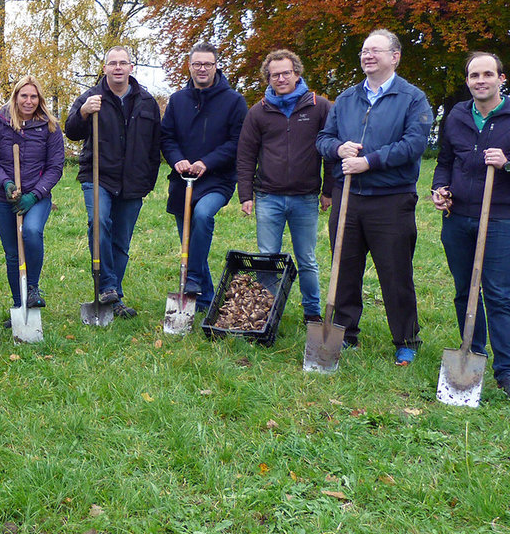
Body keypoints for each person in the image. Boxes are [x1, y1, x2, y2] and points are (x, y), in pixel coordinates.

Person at [432, 52, 510, 403]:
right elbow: (445, 161)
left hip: (498, 219)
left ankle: (508, 372)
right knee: (464, 291)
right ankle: (473, 354)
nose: (480, 80)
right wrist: (439, 190)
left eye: (488, 74)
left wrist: (509, 165)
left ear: (502, 79)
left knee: (498, 295)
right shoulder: (456, 116)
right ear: (467, 80)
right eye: (473, 75)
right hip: (456, 218)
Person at [316, 28, 433, 366]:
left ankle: (406, 339)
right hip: (348, 197)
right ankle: (345, 333)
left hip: (391, 198)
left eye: (376, 51)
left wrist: (369, 161)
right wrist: (338, 148)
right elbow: (323, 139)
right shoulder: (347, 98)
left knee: (395, 272)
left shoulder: (412, 98)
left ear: (394, 57)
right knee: (345, 268)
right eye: (364, 51)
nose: (368, 56)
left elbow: (414, 144)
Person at [63, 45, 163, 318]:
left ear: (132, 68)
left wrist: (148, 180)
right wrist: (83, 112)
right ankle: (107, 285)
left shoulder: (146, 102)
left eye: (123, 63)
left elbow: (156, 145)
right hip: (98, 176)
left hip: (133, 181)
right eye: (112, 63)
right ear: (105, 68)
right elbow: (70, 131)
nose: (118, 67)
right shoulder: (92, 97)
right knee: (99, 222)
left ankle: (113, 297)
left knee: (121, 241)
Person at [236, 49, 333, 324]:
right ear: (268, 77)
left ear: (297, 74)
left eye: (285, 73)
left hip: (306, 197)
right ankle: (265, 311)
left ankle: (312, 312)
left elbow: (332, 151)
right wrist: (246, 194)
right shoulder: (258, 111)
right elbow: (245, 155)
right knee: (267, 258)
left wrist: (329, 191)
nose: (280, 78)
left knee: (307, 259)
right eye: (274, 74)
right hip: (268, 197)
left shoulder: (320, 107)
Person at [158, 42, 248, 314]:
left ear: (216, 65)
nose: (202, 69)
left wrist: (206, 163)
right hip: (183, 180)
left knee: (202, 217)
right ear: (190, 66)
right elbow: (167, 137)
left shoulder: (234, 101)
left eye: (207, 64)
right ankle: (207, 299)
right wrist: (178, 160)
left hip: (217, 180)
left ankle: (193, 280)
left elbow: (237, 142)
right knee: (191, 242)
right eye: (197, 64)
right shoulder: (177, 100)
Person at [0, 76, 65, 311]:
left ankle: (32, 289)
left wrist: (35, 194)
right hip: (3, 199)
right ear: (16, 97)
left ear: (40, 99)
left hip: (36, 197)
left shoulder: (50, 126)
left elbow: (55, 167)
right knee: (13, 254)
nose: (28, 101)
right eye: (24, 96)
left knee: (31, 232)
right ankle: (19, 306)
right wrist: (6, 183)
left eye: (33, 96)